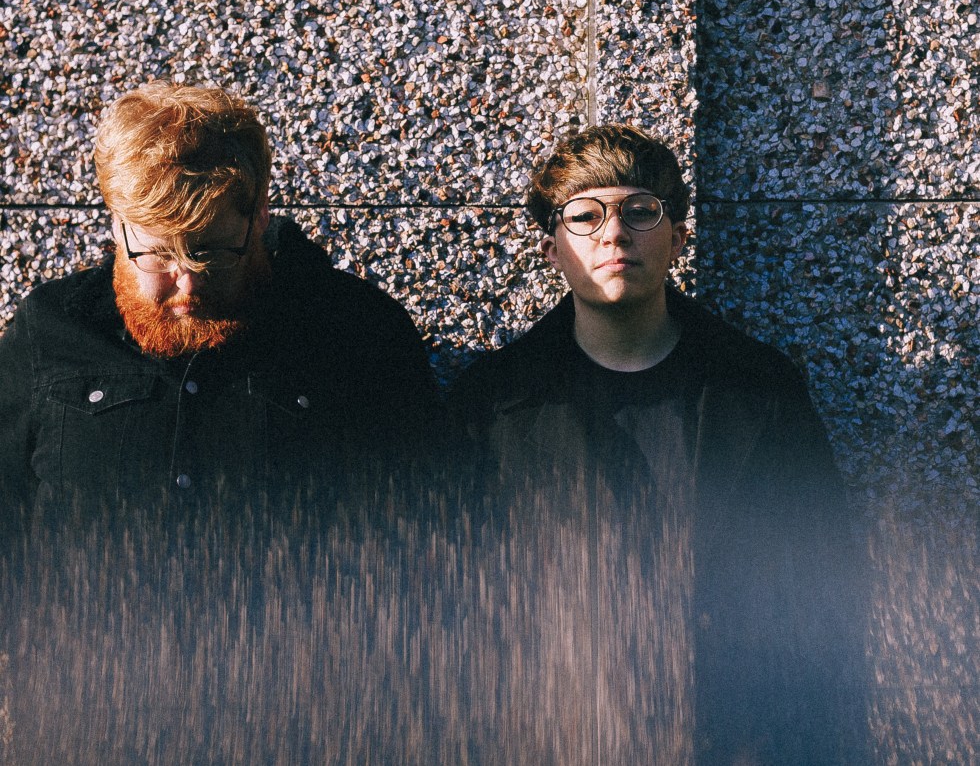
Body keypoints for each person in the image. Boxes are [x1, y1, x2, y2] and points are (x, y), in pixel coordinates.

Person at [449, 124, 869, 765]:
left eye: (640, 211)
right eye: (584, 216)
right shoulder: (491, 406)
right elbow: (454, 605)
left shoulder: (761, 390)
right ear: (553, 249)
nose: (614, 234)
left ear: (676, 237)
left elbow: (824, 585)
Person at [0, 81, 439, 534]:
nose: (188, 283)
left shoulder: (359, 332)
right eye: (159, 255)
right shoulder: (48, 332)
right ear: (117, 225)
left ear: (260, 215)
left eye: (212, 252)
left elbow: (422, 534)